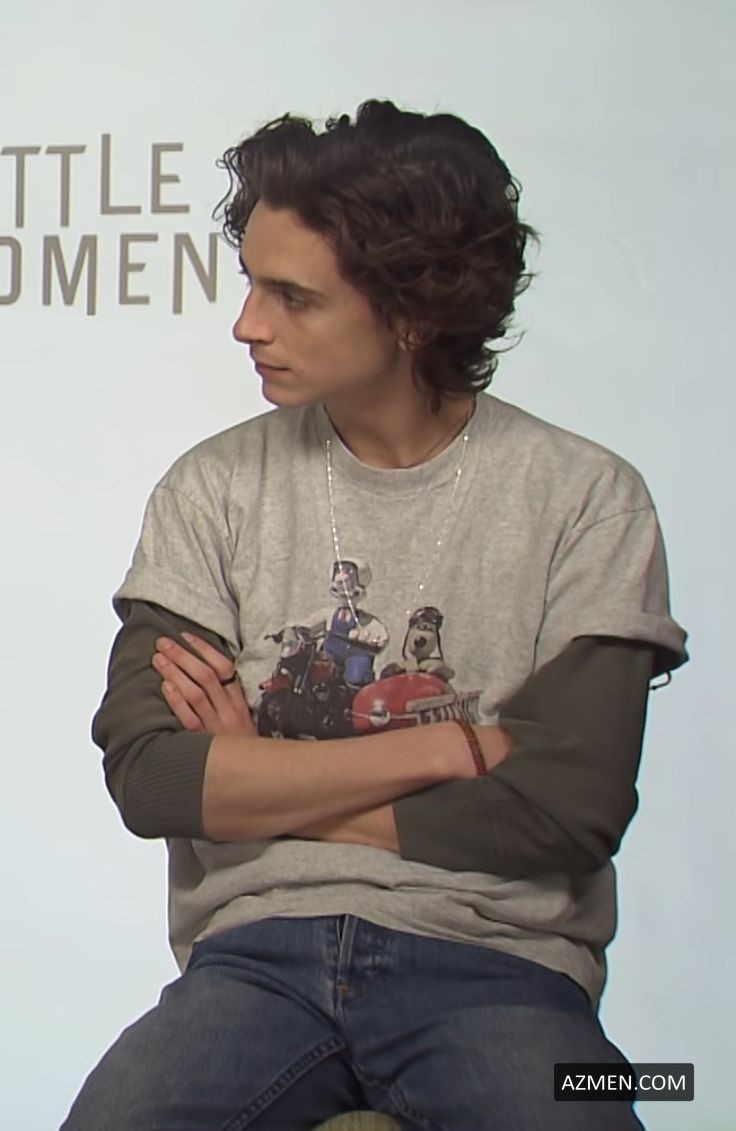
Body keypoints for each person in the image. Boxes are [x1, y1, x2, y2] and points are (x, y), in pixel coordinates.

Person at [62, 99, 688, 1130]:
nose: (247, 324)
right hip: (252, 963)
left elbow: (568, 806)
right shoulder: (211, 490)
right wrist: (446, 752)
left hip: (502, 971)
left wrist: (260, 778)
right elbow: (153, 777)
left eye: (293, 297)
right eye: (251, 283)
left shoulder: (586, 498)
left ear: (412, 313)